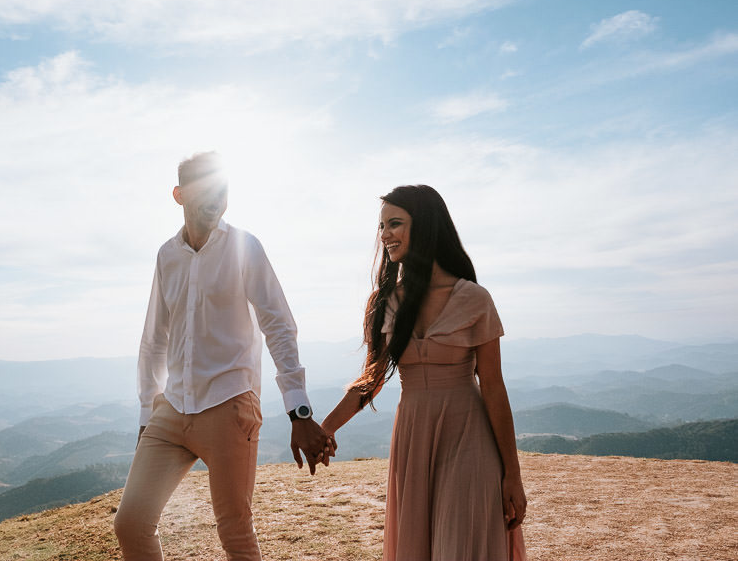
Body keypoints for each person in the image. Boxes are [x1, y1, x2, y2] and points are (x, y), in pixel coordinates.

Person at [114, 152, 334, 561]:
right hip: (172, 407)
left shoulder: (244, 247)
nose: (216, 197)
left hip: (229, 405)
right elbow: (153, 341)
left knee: (235, 534)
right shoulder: (166, 255)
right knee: (130, 524)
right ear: (179, 194)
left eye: (222, 188)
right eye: (204, 188)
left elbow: (279, 326)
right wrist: (147, 415)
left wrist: (299, 412)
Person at [320, 184, 527, 561]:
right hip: (414, 438)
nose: (385, 235)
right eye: (381, 227)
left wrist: (512, 475)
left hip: (469, 436)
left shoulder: (475, 299)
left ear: (427, 226)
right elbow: (372, 379)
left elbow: (494, 389)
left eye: (395, 223)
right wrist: (326, 428)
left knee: (462, 547)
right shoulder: (387, 301)